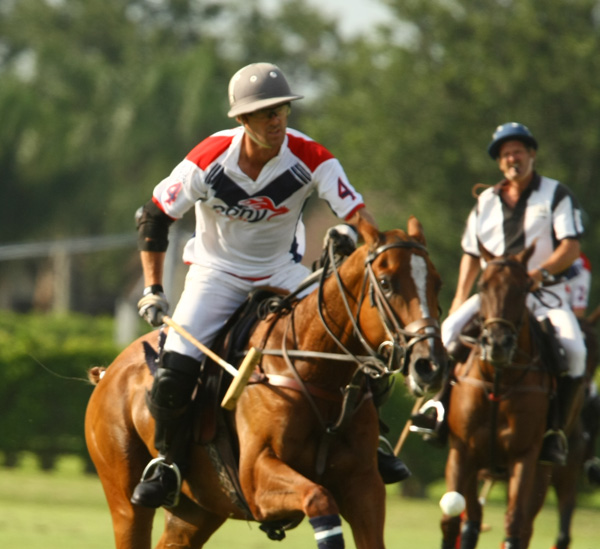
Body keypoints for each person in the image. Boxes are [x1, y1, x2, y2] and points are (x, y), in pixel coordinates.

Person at [132, 62, 408, 509]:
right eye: (265, 114)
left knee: (357, 342)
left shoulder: (311, 157)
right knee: (174, 368)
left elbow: (354, 211)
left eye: (281, 110)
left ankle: (373, 443)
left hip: (282, 271)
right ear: (242, 120)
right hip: (215, 273)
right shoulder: (208, 160)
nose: (276, 120)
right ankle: (168, 464)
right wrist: (153, 288)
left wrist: (372, 248)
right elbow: (153, 216)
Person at [412, 122, 586, 465]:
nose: (512, 158)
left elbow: (570, 246)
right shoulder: (486, 201)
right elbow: (470, 255)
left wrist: (538, 274)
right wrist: (461, 298)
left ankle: (554, 432)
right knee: (447, 334)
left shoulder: (557, 194)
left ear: (531, 154)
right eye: (505, 154)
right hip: (495, 297)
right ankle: (437, 410)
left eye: (518, 151)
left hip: (543, 293)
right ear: (499, 161)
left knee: (576, 351)